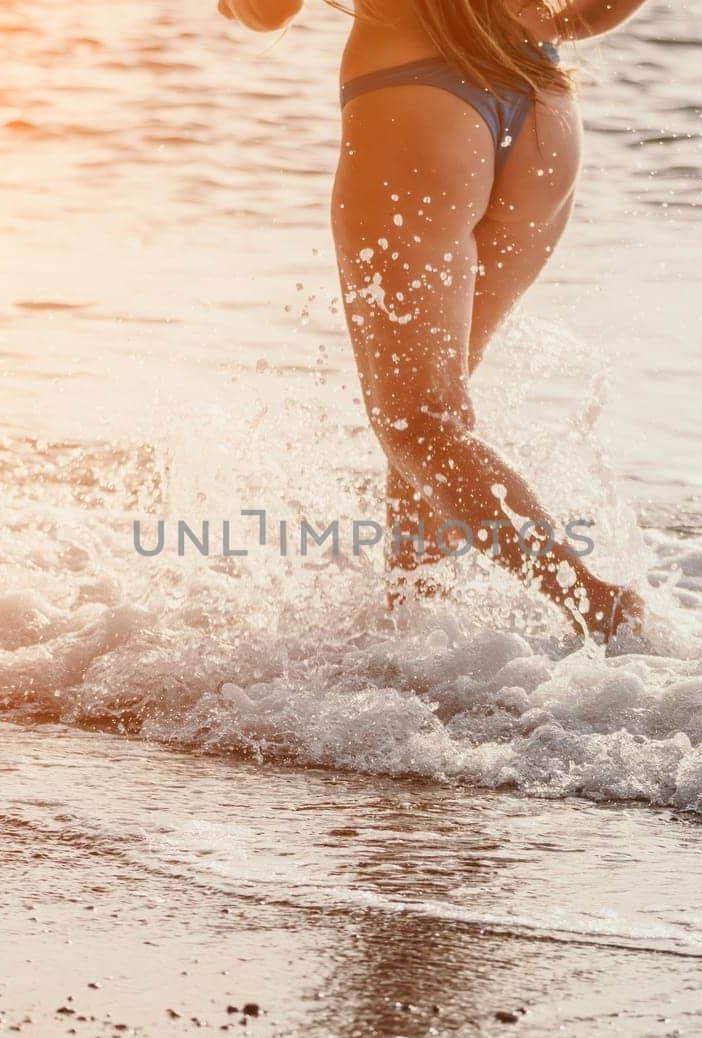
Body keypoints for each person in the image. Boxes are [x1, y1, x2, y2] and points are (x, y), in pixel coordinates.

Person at [219, 0, 650, 643]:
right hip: (543, 105)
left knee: (419, 421)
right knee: (435, 422)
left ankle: (594, 603)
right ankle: (415, 636)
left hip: (418, 107)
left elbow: (267, 9)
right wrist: (563, 24)